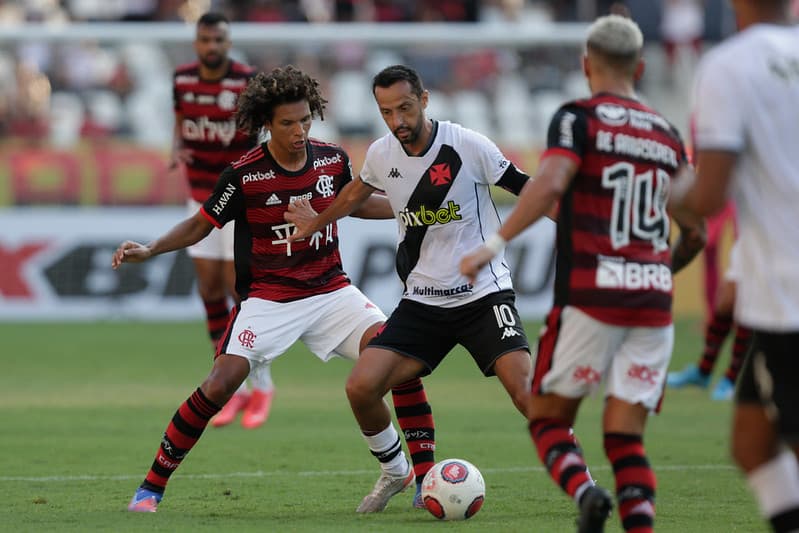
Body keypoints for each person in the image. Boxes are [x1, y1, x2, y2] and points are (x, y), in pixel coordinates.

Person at [117, 65, 437, 513]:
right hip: (269, 298)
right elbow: (198, 225)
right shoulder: (244, 175)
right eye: (288, 123)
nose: (300, 130)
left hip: (332, 292)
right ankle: (151, 487)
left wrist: (415, 208)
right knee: (220, 382)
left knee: (397, 360)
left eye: (305, 119)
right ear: (266, 123)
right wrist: (150, 249)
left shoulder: (332, 158)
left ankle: (417, 476)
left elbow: (358, 205)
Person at [460, 15, 705, 532]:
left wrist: (496, 242)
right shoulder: (667, 133)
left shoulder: (578, 118)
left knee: (548, 419)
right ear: (640, 66)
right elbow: (698, 232)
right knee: (625, 437)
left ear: (586, 65)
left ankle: (586, 494)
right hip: (653, 302)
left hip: (593, 295)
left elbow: (549, 184)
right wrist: (659, 271)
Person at [286, 64, 534, 514]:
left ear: (424, 100)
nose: (397, 120)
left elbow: (528, 190)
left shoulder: (467, 145)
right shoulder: (382, 154)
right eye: (386, 112)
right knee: (361, 386)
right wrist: (316, 222)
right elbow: (355, 195)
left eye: (404, 107)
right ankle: (397, 472)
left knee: (527, 395)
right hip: (422, 303)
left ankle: (584, 483)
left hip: (484, 296)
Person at [671, 1, 799, 530]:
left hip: (788, 293)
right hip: (772, 279)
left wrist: (660, 181)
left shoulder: (729, 65)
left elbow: (708, 195)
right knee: (751, 441)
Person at [171, 12, 275, 429]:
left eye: (218, 40)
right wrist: (175, 147)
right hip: (198, 196)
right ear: (197, 43)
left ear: (228, 43)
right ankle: (230, 382)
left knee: (240, 292)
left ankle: (261, 382)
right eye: (205, 40)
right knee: (209, 289)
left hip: (237, 199)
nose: (211, 46)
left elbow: (263, 133)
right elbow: (180, 121)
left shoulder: (247, 81)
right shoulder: (181, 80)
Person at [667, 242, 751, 401]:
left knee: (746, 302)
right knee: (725, 302)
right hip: (751, 241)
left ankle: (731, 378)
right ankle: (704, 371)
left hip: (778, 243)